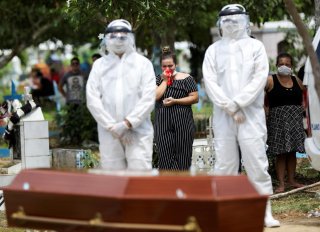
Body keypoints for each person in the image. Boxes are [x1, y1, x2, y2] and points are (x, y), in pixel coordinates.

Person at [202, 4, 280, 227]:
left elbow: (259, 79)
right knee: (225, 165)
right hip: (224, 116)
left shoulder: (256, 47)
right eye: (227, 20)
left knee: (256, 163)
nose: (231, 23)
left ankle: (264, 211)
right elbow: (210, 82)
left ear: (245, 21)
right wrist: (229, 107)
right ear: (220, 23)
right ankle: (225, 209)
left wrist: (237, 103)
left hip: (250, 115)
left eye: (236, 19)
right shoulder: (213, 50)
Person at [86, 19, 156, 170]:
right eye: (113, 37)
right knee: (113, 178)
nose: (118, 41)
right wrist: (111, 126)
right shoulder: (99, 66)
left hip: (138, 131)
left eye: (123, 37)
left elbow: (148, 98)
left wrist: (127, 123)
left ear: (131, 38)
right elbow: (92, 99)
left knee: (139, 174)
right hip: (109, 133)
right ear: (106, 39)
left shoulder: (143, 64)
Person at [265, 53, 305, 193]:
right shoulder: (270, 80)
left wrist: (303, 108)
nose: (284, 66)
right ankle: (281, 183)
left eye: (287, 64)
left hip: (294, 122)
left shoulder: (297, 81)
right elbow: (262, 100)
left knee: (292, 152)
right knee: (280, 153)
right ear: (276, 65)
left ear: (291, 66)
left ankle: (292, 180)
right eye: (281, 64)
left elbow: (305, 96)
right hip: (277, 122)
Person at [154, 46, 198, 170]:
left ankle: (184, 185)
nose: (167, 69)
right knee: (164, 156)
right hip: (163, 123)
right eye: (164, 66)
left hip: (183, 121)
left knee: (183, 156)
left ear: (176, 65)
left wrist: (176, 101)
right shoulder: (157, 79)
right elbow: (156, 96)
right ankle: (167, 186)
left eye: (170, 66)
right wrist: (165, 80)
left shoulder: (186, 78)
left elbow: (195, 97)